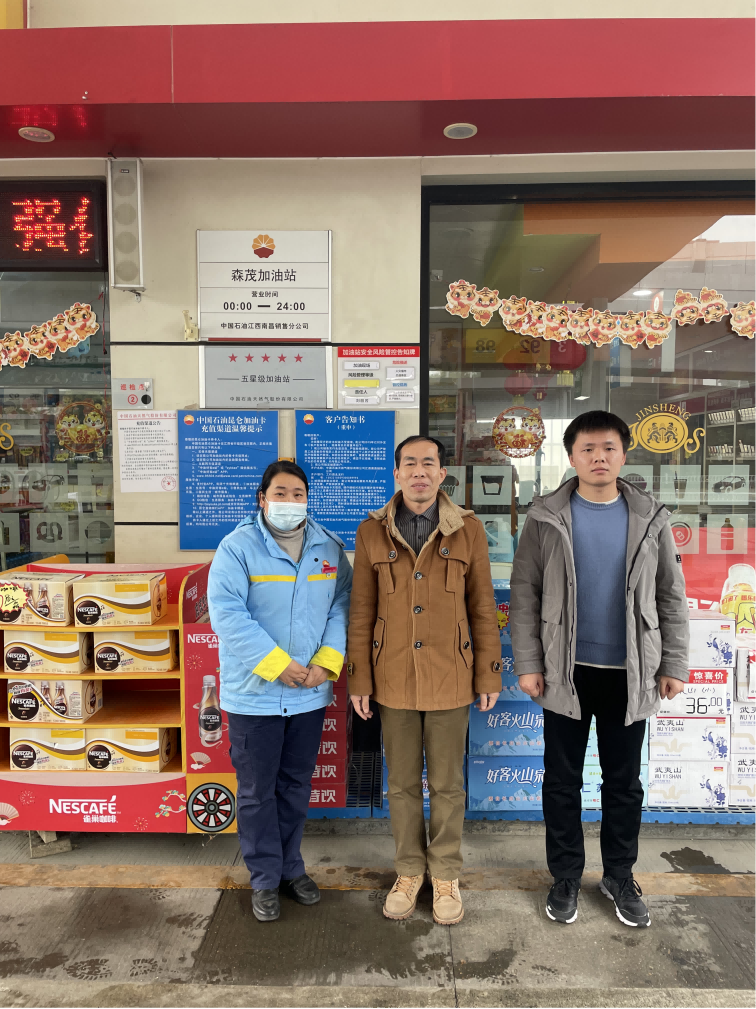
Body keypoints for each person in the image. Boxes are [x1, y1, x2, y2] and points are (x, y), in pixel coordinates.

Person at [510, 411, 689, 929]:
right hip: (565, 671)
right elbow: (525, 593)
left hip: (630, 672)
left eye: (608, 448)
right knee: (562, 781)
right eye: (587, 449)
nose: (599, 457)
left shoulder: (650, 518)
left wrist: (673, 662)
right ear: (571, 457)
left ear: (624, 454)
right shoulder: (546, 516)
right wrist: (529, 663)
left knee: (624, 782)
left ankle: (619, 875)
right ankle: (565, 875)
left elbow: (670, 596)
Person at [348, 435, 502, 926]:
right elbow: (360, 611)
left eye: (428, 463)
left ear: (441, 473)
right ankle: (409, 871)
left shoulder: (468, 530)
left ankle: (446, 874)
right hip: (391, 677)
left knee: (448, 784)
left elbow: (483, 606)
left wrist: (488, 673)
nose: (419, 471)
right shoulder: (371, 532)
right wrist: (359, 679)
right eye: (410, 463)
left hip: (451, 675)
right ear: (396, 474)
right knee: (401, 784)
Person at [208, 460, 352, 923]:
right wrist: (277, 666)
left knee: (294, 787)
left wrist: (326, 662)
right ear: (262, 498)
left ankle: (292, 868)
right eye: (280, 493)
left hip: (309, 692)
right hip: (255, 695)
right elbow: (228, 614)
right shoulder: (237, 548)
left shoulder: (328, 548)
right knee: (256, 792)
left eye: (298, 494)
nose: (290, 502)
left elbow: (342, 607)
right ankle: (265, 878)